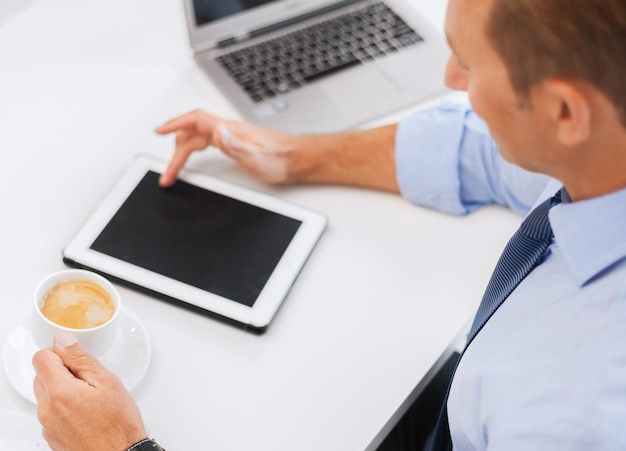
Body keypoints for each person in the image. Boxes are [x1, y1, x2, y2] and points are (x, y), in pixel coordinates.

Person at [32, 0, 626, 449]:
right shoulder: (601, 152)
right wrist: (292, 156)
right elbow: (476, 149)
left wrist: (125, 449)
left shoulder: (570, 414)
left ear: (565, 111)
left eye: (468, 63)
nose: (449, 79)